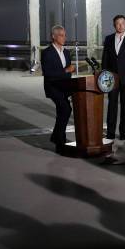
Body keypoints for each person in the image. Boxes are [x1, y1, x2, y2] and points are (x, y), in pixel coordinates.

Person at [101, 14, 125, 141]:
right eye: (118, 23)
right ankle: (110, 132)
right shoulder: (108, 39)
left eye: (122, 23)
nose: (120, 25)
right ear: (114, 25)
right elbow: (105, 59)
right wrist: (104, 75)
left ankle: (122, 132)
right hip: (112, 78)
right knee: (112, 106)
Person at [41, 25, 76, 153]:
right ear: (53, 37)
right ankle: (59, 140)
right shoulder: (47, 53)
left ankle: (58, 138)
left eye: (64, 35)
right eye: (61, 35)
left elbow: (69, 74)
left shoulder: (66, 52)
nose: (64, 37)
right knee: (65, 109)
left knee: (63, 111)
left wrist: (70, 86)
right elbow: (49, 73)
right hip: (53, 87)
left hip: (64, 88)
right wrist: (66, 70)